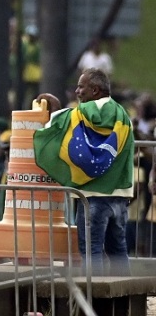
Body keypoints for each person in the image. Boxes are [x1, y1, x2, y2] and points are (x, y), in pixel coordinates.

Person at [34, 70, 133, 274]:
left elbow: (60, 124)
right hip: (120, 196)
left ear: (95, 90)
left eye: (81, 87)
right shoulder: (125, 117)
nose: (77, 91)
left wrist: (54, 107)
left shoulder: (84, 112)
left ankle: (93, 299)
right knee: (118, 251)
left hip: (92, 196)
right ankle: (125, 302)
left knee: (91, 251)